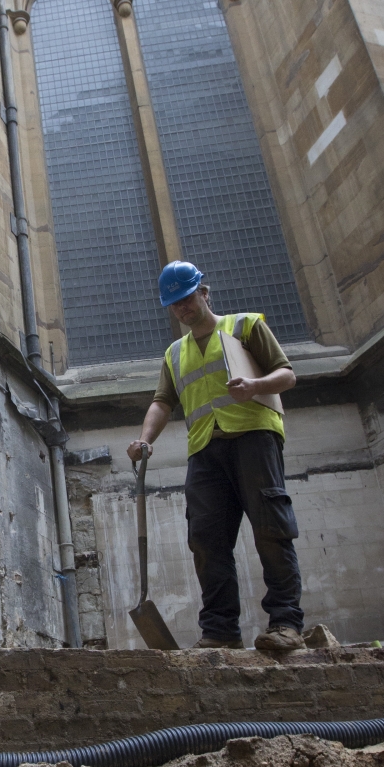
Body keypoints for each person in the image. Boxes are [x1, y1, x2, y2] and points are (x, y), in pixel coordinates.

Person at [126, 260, 305, 655]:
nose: (182, 308)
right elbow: (162, 401)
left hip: (253, 437)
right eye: (174, 305)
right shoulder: (174, 354)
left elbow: (287, 375)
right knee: (206, 539)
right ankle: (221, 631)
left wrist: (255, 385)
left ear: (204, 293)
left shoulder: (245, 326)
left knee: (270, 529)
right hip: (206, 448)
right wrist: (144, 439)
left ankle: (287, 624)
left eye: (187, 299)